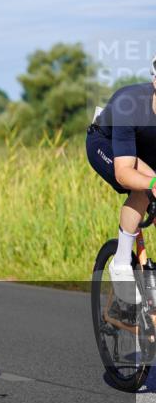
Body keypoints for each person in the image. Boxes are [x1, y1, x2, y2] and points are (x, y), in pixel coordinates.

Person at [86, 55, 156, 304]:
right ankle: (122, 263)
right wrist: (152, 184)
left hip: (146, 148)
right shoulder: (131, 104)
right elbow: (124, 172)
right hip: (105, 143)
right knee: (143, 187)